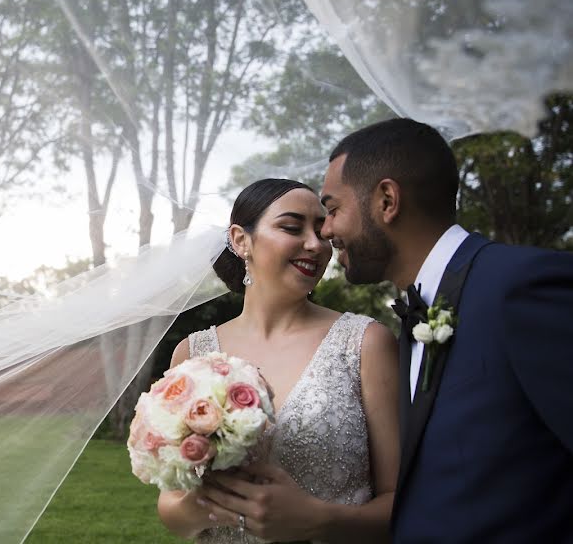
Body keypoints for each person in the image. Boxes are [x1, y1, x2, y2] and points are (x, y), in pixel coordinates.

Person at [319, 117, 573, 542]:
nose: (325, 230)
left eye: (332, 209)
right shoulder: (411, 320)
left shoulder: (521, 286)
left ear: (386, 200)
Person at [157, 178, 399, 543]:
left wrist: (321, 520)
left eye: (321, 230)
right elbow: (171, 506)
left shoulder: (365, 343)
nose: (316, 244)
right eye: (291, 227)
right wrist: (206, 504)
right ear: (241, 240)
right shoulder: (193, 354)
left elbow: (402, 502)